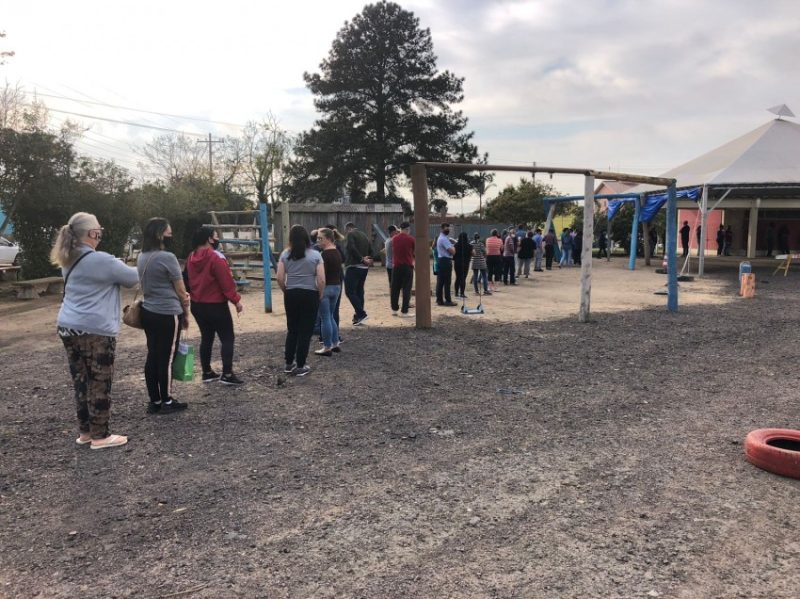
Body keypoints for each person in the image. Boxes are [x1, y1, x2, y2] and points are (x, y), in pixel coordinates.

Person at [52, 212, 139, 449]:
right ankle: (101, 436)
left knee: (81, 381)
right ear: (92, 233)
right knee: (100, 381)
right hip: (95, 329)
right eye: (99, 229)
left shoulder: (68, 258)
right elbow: (133, 278)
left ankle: (86, 432)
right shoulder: (100, 259)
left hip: (68, 326)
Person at [138, 218, 191, 415]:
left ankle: (154, 400)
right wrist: (186, 311)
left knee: (152, 355)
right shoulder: (168, 257)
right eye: (169, 233)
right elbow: (180, 290)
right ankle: (167, 400)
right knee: (168, 357)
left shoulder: (141, 257)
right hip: (168, 312)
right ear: (160, 235)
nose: (171, 237)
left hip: (149, 311)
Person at [186, 226, 244, 385]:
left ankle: (207, 372)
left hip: (197, 304)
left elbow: (186, 280)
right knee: (227, 337)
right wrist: (236, 300)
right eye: (215, 236)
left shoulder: (191, 257)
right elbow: (226, 282)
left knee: (206, 337)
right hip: (216, 305)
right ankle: (227, 373)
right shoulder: (215, 257)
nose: (217, 238)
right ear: (209, 239)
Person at [277, 225, 325, 376]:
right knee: (305, 331)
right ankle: (301, 365)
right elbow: (321, 279)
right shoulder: (316, 255)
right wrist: (320, 294)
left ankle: (288, 363)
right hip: (310, 294)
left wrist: (286, 290)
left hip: (291, 294)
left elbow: (279, 277)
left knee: (292, 329)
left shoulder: (285, 254)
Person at [314, 228, 342, 357]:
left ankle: (326, 347)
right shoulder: (336, 251)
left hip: (326, 288)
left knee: (325, 318)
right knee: (330, 316)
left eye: (320, 238)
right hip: (336, 287)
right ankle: (335, 343)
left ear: (328, 239)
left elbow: (321, 277)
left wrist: (319, 291)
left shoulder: (324, 255)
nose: (318, 240)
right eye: (317, 238)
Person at [344, 222, 372, 325]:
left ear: (348, 229)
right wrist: (368, 259)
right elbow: (371, 249)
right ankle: (358, 317)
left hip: (354, 266)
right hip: (364, 268)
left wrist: (361, 259)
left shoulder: (351, 234)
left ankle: (361, 314)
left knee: (350, 292)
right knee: (359, 291)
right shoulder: (364, 235)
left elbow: (351, 248)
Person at [390, 221, 415, 316]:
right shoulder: (411, 239)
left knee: (395, 288)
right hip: (407, 266)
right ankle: (404, 311)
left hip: (396, 267)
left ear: (400, 229)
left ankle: (394, 309)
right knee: (406, 289)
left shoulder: (394, 239)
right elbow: (415, 251)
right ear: (408, 229)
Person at [436, 223, 457, 306]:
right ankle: (448, 300)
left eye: (448, 228)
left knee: (440, 281)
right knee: (447, 282)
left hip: (441, 260)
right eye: (446, 228)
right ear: (441, 229)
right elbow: (452, 251)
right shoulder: (444, 239)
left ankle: (439, 300)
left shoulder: (441, 238)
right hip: (445, 261)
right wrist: (454, 247)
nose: (448, 230)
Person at [453, 231, 472, 298]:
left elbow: (453, 254)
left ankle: (456, 293)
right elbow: (473, 253)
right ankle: (462, 293)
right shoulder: (469, 246)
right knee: (463, 278)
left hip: (457, 263)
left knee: (457, 277)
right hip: (465, 263)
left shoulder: (456, 245)